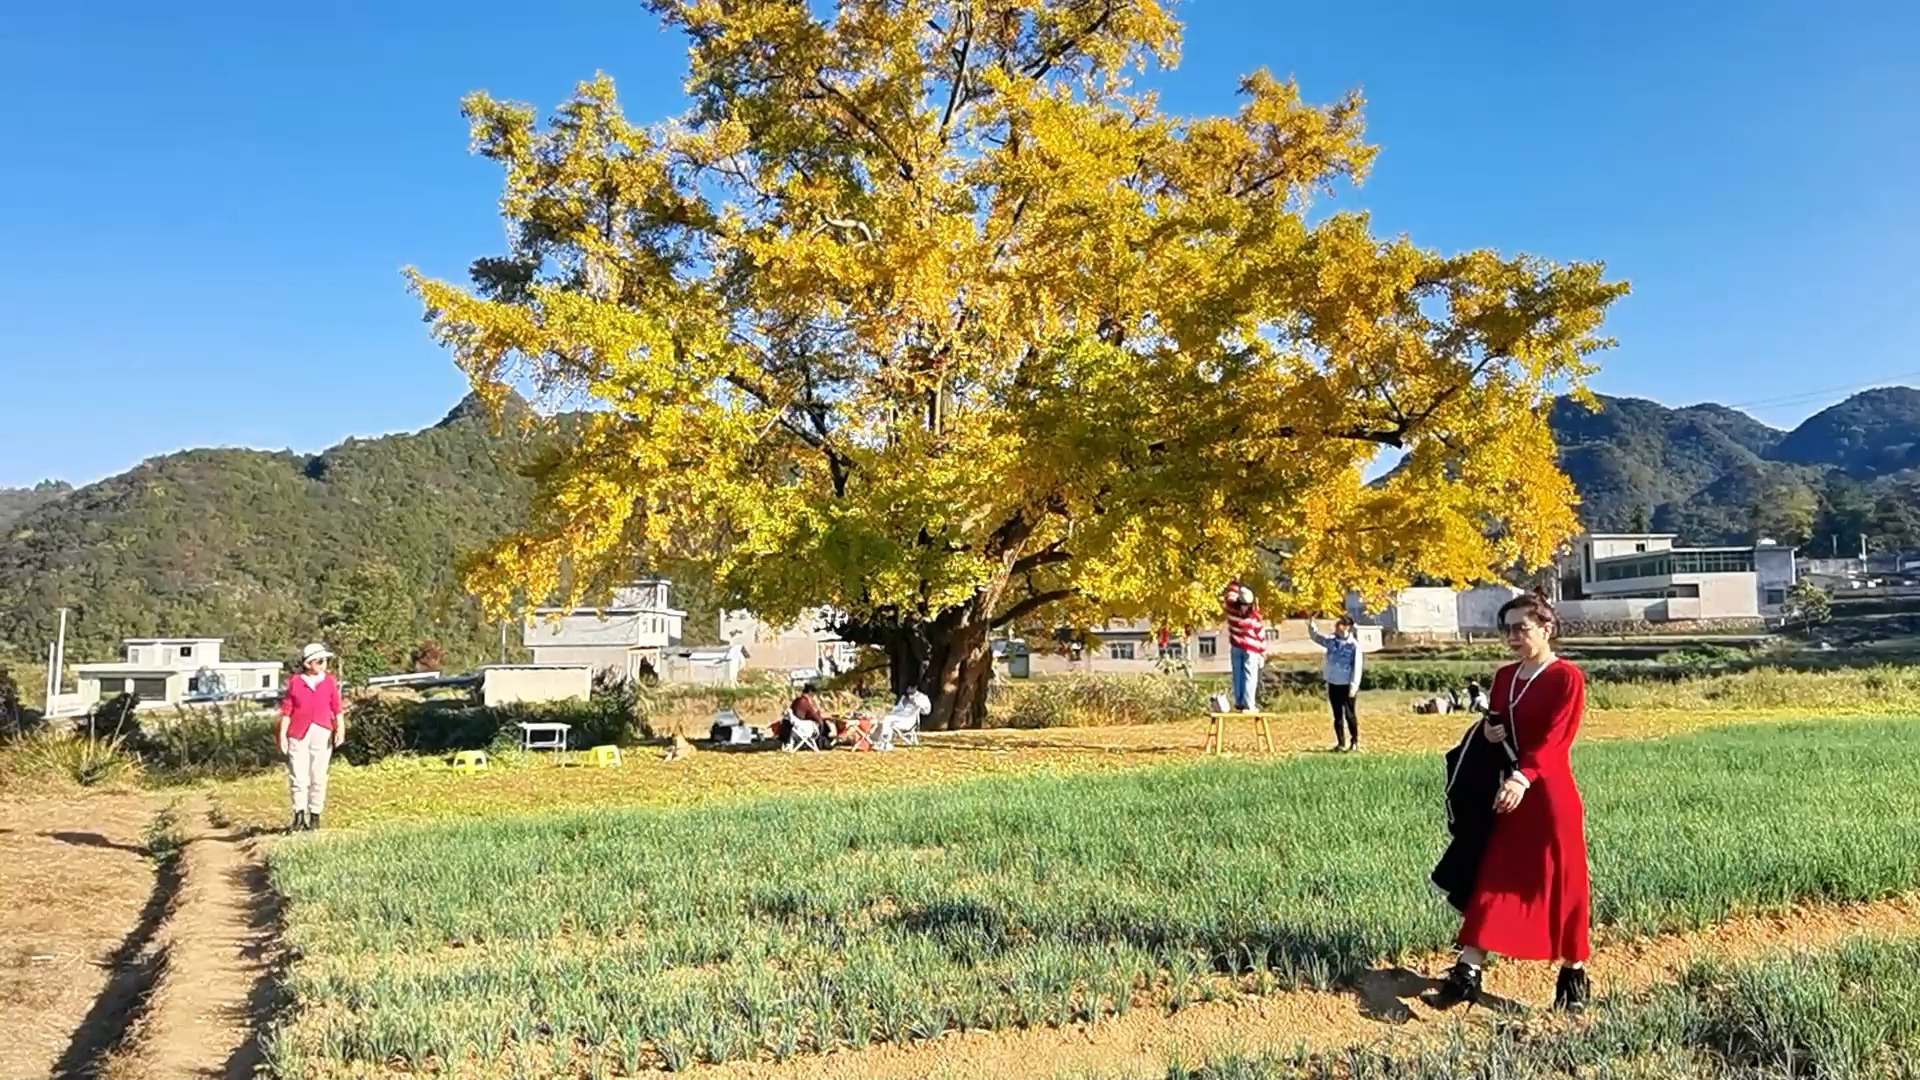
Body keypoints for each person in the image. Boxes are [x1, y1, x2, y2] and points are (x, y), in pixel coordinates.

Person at [1430, 593, 1592, 1013]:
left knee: (1563, 886)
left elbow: (1558, 740)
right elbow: (1495, 725)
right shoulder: (1504, 677)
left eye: (1522, 628)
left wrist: (1524, 776)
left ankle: (1573, 974)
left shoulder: (1566, 678)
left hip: (1549, 797)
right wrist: (1488, 734)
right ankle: (1467, 971)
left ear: (1546, 628)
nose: (1513, 637)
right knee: (1495, 878)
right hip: (1508, 796)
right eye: (1508, 629)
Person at [278, 643, 345, 832]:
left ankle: (315, 815)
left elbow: (336, 707)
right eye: (320, 661)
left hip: (322, 730)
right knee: (298, 776)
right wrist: (283, 734)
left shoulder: (329, 681)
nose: (324, 664)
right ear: (308, 663)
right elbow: (287, 710)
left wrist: (340, 728)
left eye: (325, 661)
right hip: (298, 733)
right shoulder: (296, 681)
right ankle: (299, 815)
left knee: (319, 775)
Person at [1307, 615, 1365, 751]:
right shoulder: (1331, 640)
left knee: (1349, 714)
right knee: (1337, 715)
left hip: (1347, 683)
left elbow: (1357, 666)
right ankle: (1340, 743)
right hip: (1333, 682)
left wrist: (1354, 685)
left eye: (1341, 625)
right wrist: (1311, 624)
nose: (1337, 627)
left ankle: (1354, 742)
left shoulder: (1353, 645)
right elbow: (1316, 637)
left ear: (1347, 627)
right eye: (1337, 624)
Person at [1221, 582, 1266, 711]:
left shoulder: (1230, 607)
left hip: (1236, 646)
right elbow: (1260, 632)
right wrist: (1262, 651)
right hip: (1251, 648)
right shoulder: (1253, 616)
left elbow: (1230, 593)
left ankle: (1239, 701)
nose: (1244, 608)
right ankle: (1249, 704)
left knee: (1237, 675)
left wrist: (1235, 581)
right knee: (1250, 675)